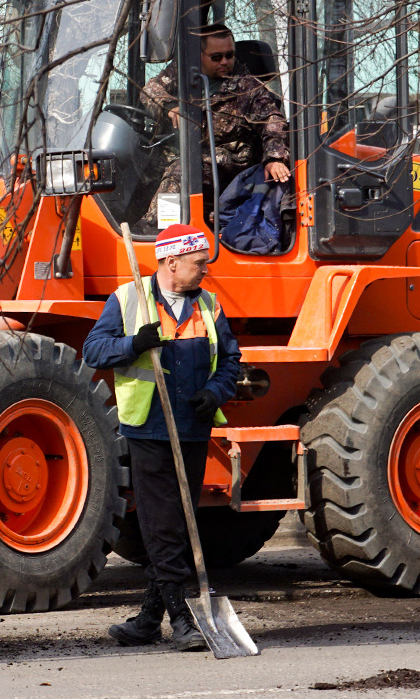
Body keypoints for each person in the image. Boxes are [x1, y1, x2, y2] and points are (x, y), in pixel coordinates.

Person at [82, 226, 241, 652]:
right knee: (164, 525)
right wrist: (135, 343)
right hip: (149, 429)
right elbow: (93, 351)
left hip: (191, 429)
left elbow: (230, 360)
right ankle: (181, 619)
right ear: (172, 262)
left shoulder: (208, 304)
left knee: (180, 520)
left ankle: (147, 621)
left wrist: (215, 393)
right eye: (199, 263)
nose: (205, 271)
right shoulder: (128, 299)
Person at [140, 24, 291, 198]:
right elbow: (150, 90)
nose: (225, 62)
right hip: (185, 152)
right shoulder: (184, 71)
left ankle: (162, 225)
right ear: (200, 56)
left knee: (181, 172)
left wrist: (274, 158)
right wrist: (169, 107)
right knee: (141, 168)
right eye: (216, 57)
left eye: (229, 55)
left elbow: (272, 121)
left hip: (226, 162)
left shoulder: (248, 87)